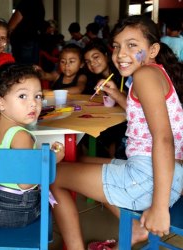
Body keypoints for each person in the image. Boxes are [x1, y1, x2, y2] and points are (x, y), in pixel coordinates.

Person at [49, 15, 183, 249]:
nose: (120, 54)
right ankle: (133, 229)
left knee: (52, 174)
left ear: (152, 50)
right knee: (77, 159)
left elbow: (164, 138)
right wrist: (117, 94)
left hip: (150, 179)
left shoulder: (144, 76)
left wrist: (160, 208)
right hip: (168, 173)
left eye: (132, 45)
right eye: (117, 46)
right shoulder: (153, 73)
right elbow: (142, 111)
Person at [0, 62, 65, 227]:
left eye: (38, 96)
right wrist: (53, 160)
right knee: (58, 187)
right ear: (1, 102)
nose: (34, 103)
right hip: (16, 212)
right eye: (22, 96)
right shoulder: (21, 136)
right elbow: (26, 183)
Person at [83, 40, 128, 159]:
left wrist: (116, 92)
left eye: (96, 57)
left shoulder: (122, 74)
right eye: (88, 61)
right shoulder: (93, 79)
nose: (92, 63)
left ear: (107, 56)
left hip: (124, 123)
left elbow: (129, 101)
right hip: (105, 120)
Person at [8, 0, 45, 65]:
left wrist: (6, 34)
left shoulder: (26, 3)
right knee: (32, 68)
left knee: (22, 68)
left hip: (23, 41)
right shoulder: (40, 4)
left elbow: (12, 24)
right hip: (34, 40)